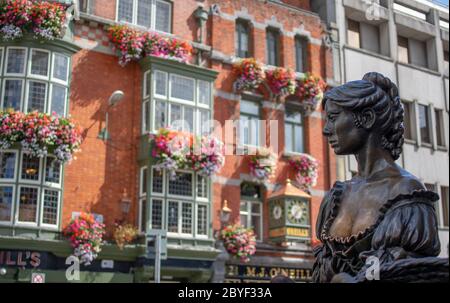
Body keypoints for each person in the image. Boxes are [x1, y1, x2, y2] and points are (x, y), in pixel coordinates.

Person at [313, 72, 448, 283]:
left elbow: (408, 275)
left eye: (333, 118)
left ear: (366, 118)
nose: (326, 130)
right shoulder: (335, 197)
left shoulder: (407, 193)